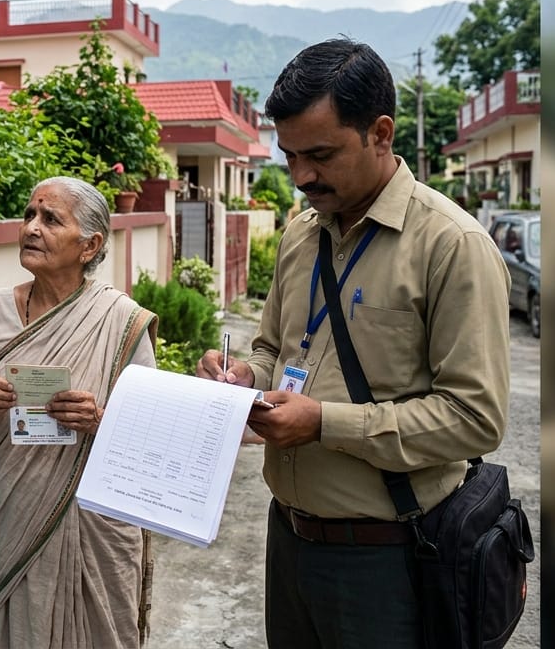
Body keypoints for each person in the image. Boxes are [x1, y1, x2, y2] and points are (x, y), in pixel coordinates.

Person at [197, 39, 511, 648]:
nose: (301, 177)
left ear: (381, 134)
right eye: (290, 156)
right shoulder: (300, 236)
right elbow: (272, 351)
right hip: (288, 540)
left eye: (320, 155)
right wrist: (243, 377)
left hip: (390, 558)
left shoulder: (451, 246)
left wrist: (324, 423)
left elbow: (475, 418)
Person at [0, 177, 158, 649]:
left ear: (90, 245)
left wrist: (98, 419)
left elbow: (149, 436)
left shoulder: (120, 321)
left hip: (93, 525)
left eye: (50, 219)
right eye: (29, 215)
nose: (31, 228)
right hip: (5, 517)